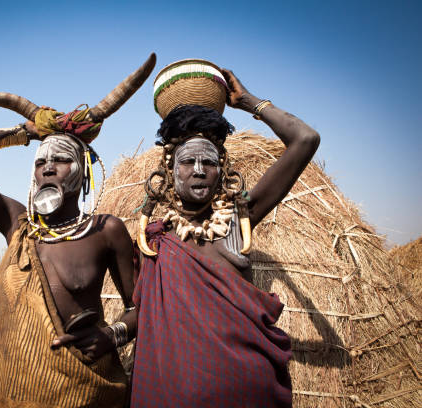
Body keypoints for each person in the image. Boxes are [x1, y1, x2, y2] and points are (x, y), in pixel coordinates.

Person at [0, 53, 156, 408]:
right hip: (7, 393)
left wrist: (112, 335)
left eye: (62, 159)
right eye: (41, 162)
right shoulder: (16, 225)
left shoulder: (105, 230)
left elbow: (144, 308)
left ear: (82, 172)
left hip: (81, 390)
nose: (49, 168)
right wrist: (25, 132)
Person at [132, 61, 320, 407]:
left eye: (210, 162)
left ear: (223, 170)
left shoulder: (238, 220)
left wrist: (248, 101)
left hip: (247, 392)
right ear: (170, 171)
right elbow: (141, 314)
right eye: (188, 162)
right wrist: (112, 333)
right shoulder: (155, 240)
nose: (199, 171)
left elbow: (305, 139)